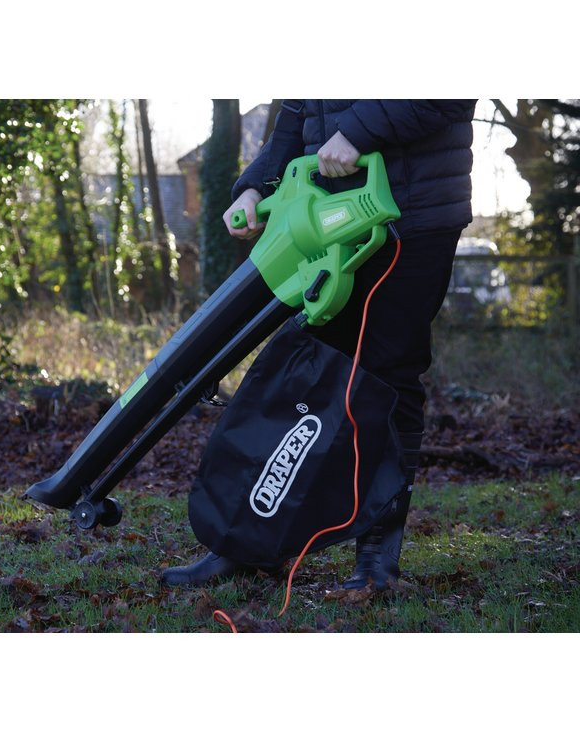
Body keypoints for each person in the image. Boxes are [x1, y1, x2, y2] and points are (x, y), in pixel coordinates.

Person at [161, 99, 477, 589]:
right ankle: (246, 542)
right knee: (299, 370)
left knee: (387, 375)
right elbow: (296, 114)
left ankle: (376, 561)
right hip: (325, 217)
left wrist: (358, 132)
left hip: (409, 212)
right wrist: (256, 185)